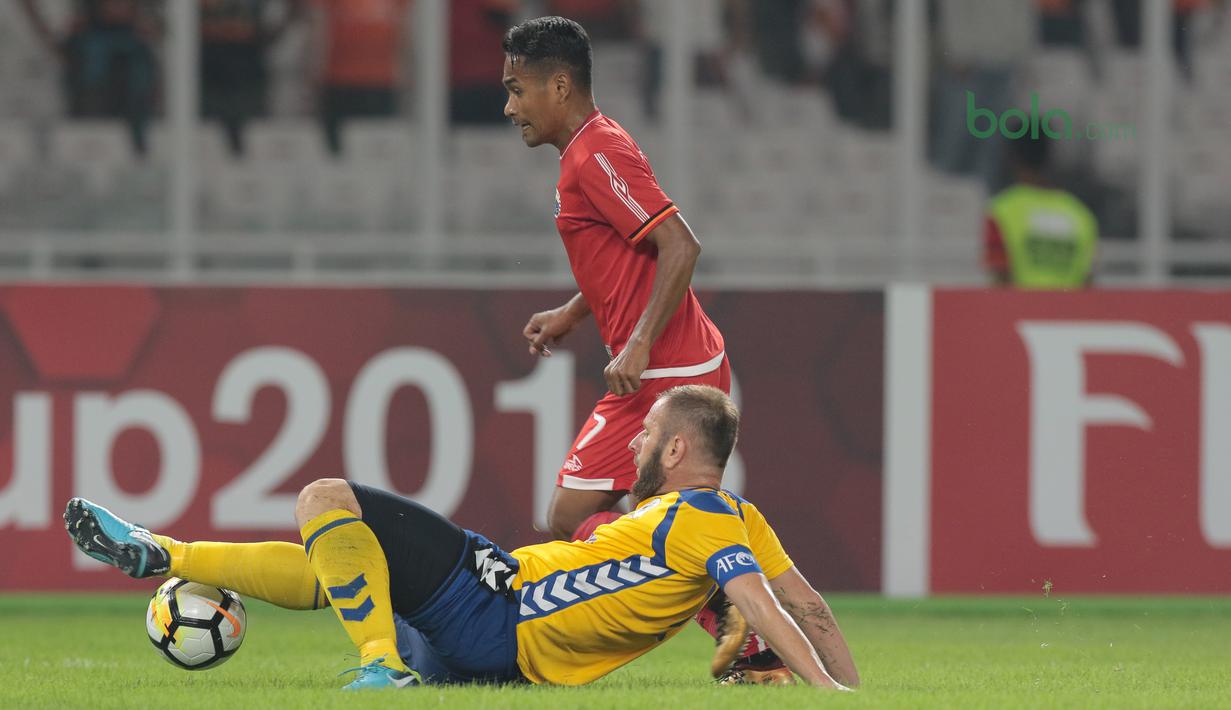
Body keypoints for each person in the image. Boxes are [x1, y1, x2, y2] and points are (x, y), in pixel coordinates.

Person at [64, 385, 859, 691]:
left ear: (677, 450)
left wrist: (819, 691)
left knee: (323, 497)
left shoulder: (703, 519)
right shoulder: (739, 517)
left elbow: (767, 606)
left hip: (495, 608)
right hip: (482, 647)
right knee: (349, 557)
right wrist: (856, 696)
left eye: (647, 432)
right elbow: (812, 607)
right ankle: (160, 552)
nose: (635, 445)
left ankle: (379, 668)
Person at [502, 17, 787, 682]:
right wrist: (574, 311)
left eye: (518, 89)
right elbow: (623, 257)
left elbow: (680, 245)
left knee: (594, 517)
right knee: (608, 516)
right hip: (660, 363)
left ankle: (734, 619)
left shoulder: (596, 153)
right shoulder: (587, 151)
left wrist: (634, 345)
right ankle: (735, 621)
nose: (509, 105)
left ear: (560, 85)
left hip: (668, 368)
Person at [983, 129, 1099, 289]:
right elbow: (1088, 283)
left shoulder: (1002, 210)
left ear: (1012, 157)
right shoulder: (1080, 214)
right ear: (1049, 157)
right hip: (1068, 312)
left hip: (1020, 312)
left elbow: (1001, 280)